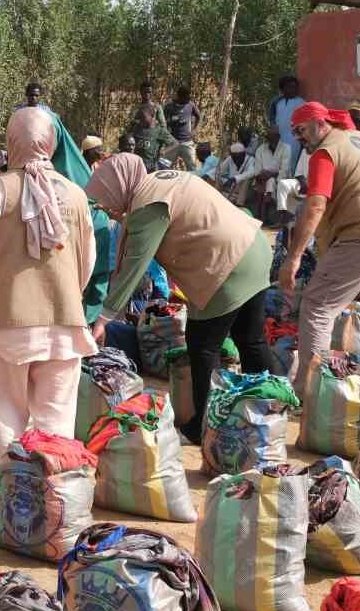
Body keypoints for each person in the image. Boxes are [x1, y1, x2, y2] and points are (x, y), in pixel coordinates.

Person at [86, 154, 276, 442]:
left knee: (202, 348)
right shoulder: (159, 182)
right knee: (251, 340)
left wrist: (104, 317)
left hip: (226, 266)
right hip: (253, 249)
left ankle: (202, 426)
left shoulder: (148, 206)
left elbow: (135, 264)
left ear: (119, 187)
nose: (108, 210)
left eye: (107, 202)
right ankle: (272, 410)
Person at [0, 106, 95, 467]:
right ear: (51, 143)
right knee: (57, 419)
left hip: (7, 326)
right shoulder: (75, 195)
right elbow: (87, 262)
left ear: (11, 142)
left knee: (4, 411)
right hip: (65, 325)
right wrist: (67, 295)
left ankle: (14, 489)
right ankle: (53, 494)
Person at [277, 102, 360, 387]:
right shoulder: (359, 139)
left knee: (317, 305)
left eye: (301, 130)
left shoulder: (325, 152)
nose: (300, 138)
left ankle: (309, 389)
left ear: (319, 123)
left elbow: (315, 207)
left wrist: (293, 258)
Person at [251, 126, 294, 223]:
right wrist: (265, 176)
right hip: (262, 180)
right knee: (267, 183)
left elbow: (285, 170)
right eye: (269, 137)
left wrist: (273, 176)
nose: (271, 139)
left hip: (281, 180)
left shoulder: (286, 148)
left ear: (278, 137)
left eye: (273, 136)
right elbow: (257, 170)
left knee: (271, 182)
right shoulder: (260, 150)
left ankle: (264, 214)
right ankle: (264, 215)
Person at [129, 82, 173, 171]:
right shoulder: (137, 108)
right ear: (141, 92)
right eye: (145, 91)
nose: (147, 94)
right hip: (139, 139)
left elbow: (163, 126)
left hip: (154, 140)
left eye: (149, 92)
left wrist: (161, 145)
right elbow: (131, 124)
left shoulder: (156, 107)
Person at [266, 75, 305, 176]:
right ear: (283, 89)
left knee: (289, 166)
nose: (294, 89)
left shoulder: (301, 103)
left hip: (293, 139)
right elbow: (272, 118)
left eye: (295, 87)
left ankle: (287, 188)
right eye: (290, 87)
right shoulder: (277, 103)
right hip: (278, 138)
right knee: (276, 165)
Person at [161, 85, 201, 170]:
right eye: (185, 98)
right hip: (172, 142)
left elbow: (198, 116)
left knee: (192, 168)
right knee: (164, 166)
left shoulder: (190, 105)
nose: (187, 100)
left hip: (187, 142)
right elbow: (163, 123)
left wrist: (194, 130)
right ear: (179, 96)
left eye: (188, 98)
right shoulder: (169, 107)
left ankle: (190, 183)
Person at [219, 142, 256, 206]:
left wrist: (235, 178)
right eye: (234, 157)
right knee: (216, 178)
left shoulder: (250, 159)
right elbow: (220, 170)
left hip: (246, 192)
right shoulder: (230, 159)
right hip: (232, 189)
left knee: (246, 180)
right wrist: (224, 180)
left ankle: (239, 204)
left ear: (244, 154)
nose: (236, 159)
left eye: (239, 157)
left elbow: (252, 172)